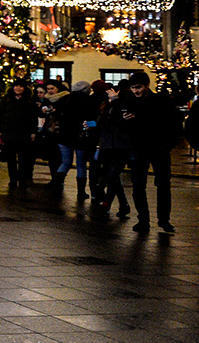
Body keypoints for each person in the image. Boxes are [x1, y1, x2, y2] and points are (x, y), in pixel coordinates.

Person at [123, 71, 180, 233]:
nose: (136, 91)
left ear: (147, 85)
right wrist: (126, 122)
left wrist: (168, 145)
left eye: (138, 87)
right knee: (138, 185)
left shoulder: (161, 101)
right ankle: (143, 219)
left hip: (158, 148)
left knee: (162, 184)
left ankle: (163, 219)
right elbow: (122, 126)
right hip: (139, 148)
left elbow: (173, 124)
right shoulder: (130, 103)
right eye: (133, 88)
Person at [91, 82, 132, 218]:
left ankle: (107, 204)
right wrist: (91, 125)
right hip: (107, 146)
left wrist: (116, 102)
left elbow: (121, 122)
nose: (110, 99)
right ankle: (123, 204)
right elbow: (102, 123)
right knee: (113, 178)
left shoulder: (123, 107)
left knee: (112, 176)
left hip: (122, 146)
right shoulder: (105, 107)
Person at [53, 80, 96, 197]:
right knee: (81, 164)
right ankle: (81, 192)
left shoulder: (66, 100)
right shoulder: (89, 101)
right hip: (80, 137)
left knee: (66, 162)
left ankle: (56, 184)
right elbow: (92, 119)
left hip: (64, 135)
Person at [0, 79, 39, 188]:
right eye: (16, 86)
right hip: (9, 132)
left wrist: (33, 132)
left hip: (24, 133)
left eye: (20, 86)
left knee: (23, 159)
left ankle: (22, 179)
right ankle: (13, 179)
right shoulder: (7, 99)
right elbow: (0, 115)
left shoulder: (29, 101)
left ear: (24, 88)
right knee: (10, 159)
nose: (18, 88)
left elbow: (33, 118)